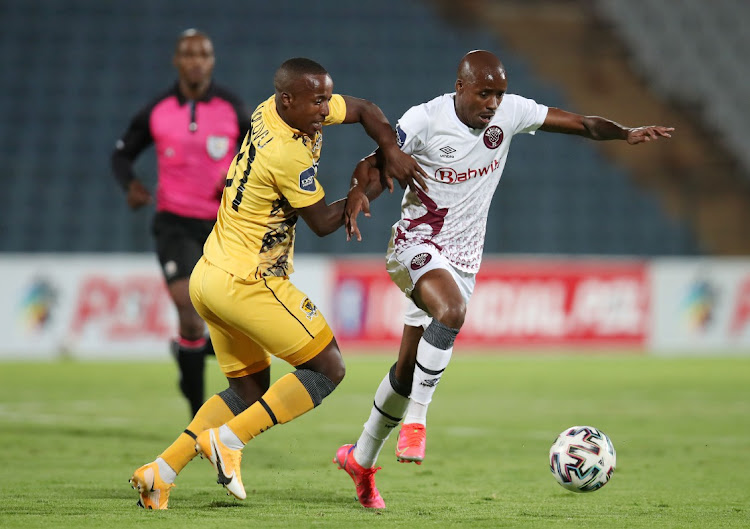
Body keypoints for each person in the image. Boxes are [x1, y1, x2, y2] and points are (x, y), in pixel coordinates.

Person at [333, 49, 674, 509]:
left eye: (499, 93)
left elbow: (583, 124)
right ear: (461, 87)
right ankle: (417, 420)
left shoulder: (510, 114)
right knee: (452, 311)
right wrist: (358, 191)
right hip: (414, 245)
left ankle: (361, 460)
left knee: (407, 369)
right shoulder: (426, 120)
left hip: (464, 260)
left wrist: (626, 133)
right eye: (484, 93)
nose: (493, 103)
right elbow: (375, 162)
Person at [127, 57, 427, 510]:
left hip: (209, 276)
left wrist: (391, 148)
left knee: (247, 390)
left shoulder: (276, 108)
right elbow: (325, 222)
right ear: (289, 99)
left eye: (328, 97)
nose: (326, 110)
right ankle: (229, 441)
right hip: (248, 280)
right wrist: (371, 187)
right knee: (328, 368)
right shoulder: (284, 152)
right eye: (318, 101)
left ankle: (160, 472)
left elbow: (365, 109)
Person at [111, 29, 251, 417]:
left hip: (224, 226)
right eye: (188, 54)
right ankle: (197, 413)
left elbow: (258, 153)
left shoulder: (231, 108)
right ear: (176, 60)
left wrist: (236, 180)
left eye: (202, 54)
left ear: (211, 61)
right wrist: (133, 185)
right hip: (174, 221)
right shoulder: (157, 110)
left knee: (227, 321)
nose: (195, 61)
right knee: (188, 307)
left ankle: (189, 350)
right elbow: (121, 155)